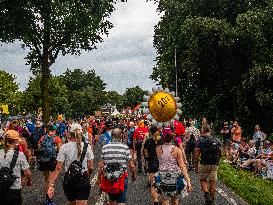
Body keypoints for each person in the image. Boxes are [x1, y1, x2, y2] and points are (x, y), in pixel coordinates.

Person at [48, 123, 94, 205]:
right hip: (83, 178)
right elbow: (90, 167)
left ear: (70, 134)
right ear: (81, 133)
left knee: (72, 202)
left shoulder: (64, 147)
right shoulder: (87, 146)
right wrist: (88, 176)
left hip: (69, 179)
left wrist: (51, 184)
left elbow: (58, 168)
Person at [98, 128, 136, 205]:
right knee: (121, 201)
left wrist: (99, 178)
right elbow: (131, 165)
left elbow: (101, 165)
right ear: (121, 136)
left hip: (109, 178)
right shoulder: (125, 147)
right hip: (121, 177)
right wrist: (133, 174)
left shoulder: (105, 147)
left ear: (111, 136)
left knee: (111, 200)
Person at [156, 133, 192, 205]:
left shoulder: (158, 149)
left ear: (163, 138)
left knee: (164, 198)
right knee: (175, 199)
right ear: (172, 139)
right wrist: (188, 181)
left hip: (162, 175)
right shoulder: (177, 150)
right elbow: (182, 166)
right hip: (174, 176)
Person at [0, 130, 32, 205]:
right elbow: (27, 172)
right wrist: (29, 181)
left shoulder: (0, 152)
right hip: (15, 188)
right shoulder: (19, 154)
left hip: (1, 187)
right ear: (16, 141)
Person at [195, 126, 222, 205]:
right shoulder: (217, 140)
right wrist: (217, 162)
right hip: (214, 164)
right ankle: (212, 202)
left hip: (204, 163)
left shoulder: (200, 140)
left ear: (202, 131)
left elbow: (196, 154)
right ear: (210, 131)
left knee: (203, 180)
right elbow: (221, 153)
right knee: (212, 182)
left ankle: (207, 195)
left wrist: (196, 166)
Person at [37, 123, 62, 202]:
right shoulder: (56, 138)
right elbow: (59, 150)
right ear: (54, 130)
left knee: (46, 179)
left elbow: (39, 147)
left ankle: (46, 197)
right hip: (52, 160)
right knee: (51, 180)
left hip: (43, 160)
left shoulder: (42, 137)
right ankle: (49, 199)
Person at [143, 126, 162, 205]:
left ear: (150, 132)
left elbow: (146, 153)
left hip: (151, 163)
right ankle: (162, 198)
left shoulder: (148, 141)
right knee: (161, 182)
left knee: (153, 184)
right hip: (160, 163)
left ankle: (155, 201)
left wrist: (147, 160)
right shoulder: (160, 141)